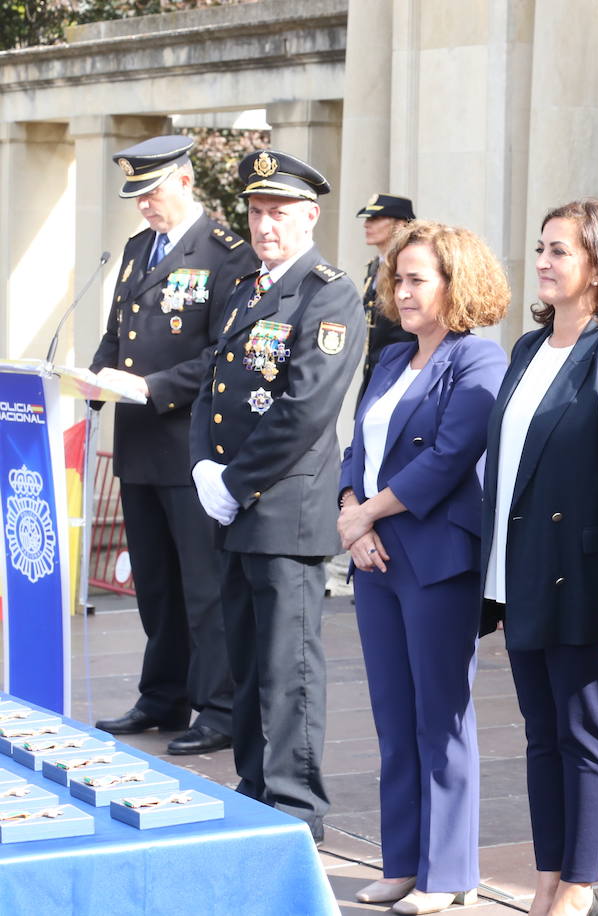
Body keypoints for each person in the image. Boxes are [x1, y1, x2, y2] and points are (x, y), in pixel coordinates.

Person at [189, 149, 364, 842]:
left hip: (284, 510)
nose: (266, 226)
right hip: (235, 509)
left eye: (280, 213)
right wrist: (204, 465)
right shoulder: (244, 288)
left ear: (310, 217)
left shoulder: (328, 293)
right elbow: (212, 386)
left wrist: (235, 481)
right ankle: (254, 784)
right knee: (244, 656)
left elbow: (305, 407)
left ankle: (294, 807)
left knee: (286, 668)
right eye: (257, 212)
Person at [481, 199, 598, 916]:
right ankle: (548, 873)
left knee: (583, 735)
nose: (545, 263)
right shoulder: (526, 348)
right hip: (523, 575)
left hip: (583, 583)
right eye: (541, 248)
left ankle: (581, 883)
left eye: (561, 252)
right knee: (541, 736)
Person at [340, 220, 508, 915]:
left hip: (436, 558)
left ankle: (449, 871)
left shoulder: (479, 361)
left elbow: (446, 458)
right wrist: (353, 515)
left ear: (454, 283)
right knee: (392, 715)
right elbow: (356, 445)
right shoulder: (389, 360)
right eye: (397, 279)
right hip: (375, 558)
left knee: (440, 716)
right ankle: (403, 861)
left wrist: (366, 514)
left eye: (417, 279)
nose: (402, 292)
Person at [88, 135, 251, 755]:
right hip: (138, 444)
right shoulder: (136, 250)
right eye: (137, 197)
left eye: (152, 192)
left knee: (203, 587)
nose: (145, 207)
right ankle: (163, 696)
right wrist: (97, 378)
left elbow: (223, 355)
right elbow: (116, 332)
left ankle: (218, 707)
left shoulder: (225, 253)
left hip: (190, 443)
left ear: (185, 181)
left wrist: (150, 387)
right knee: (155, 582)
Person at [356, 193, 418, 397]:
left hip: (402, 377)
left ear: (400, 224)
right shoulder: (375, 266)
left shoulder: (411, 269)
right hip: (374, 376)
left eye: (375, 219)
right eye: (367, 219)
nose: (367, 224)